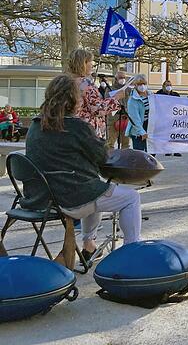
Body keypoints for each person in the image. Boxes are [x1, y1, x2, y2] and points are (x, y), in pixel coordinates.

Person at [26, 74, 142, 262]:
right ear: (72, 99)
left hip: (42, 198)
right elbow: (102, 157)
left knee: (95, 188)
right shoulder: (77, 127)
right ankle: (131, 253)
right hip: (71, 198)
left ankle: (89, 246)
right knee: (131, 197)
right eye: (79, 96)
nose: (82, 99)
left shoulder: (35, 125)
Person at [67, 48, 124, 139]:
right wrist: (115, 98)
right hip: (87, 131)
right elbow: (97, 109)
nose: (92, 65)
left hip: (71, 128)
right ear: (83, 64)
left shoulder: (67, 81)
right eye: (90, 62)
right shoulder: (85, 83)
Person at [156, 80, 182, 157]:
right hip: (163, 117)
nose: (169, 86)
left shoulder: (175, 95)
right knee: (166, 134)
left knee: (175, 134)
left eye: (170, 85)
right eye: (167, 85)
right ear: (163, 86)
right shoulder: (159, 94)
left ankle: (176, 150)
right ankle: (167, 150)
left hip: (174, 117)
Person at [107, 71, 132, 150]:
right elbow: (107, 101)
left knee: (126, 142)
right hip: (113, 118)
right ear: (116, 79)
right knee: (110, 142)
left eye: (124, 78)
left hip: (125, 117)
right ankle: (109, 158)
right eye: (120, 78)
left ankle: (124, 159)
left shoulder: (128, 90)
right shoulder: (110, 89)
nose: (122, 79)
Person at [125, 74, 150, 152]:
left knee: (151, 153)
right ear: (135, 85)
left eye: (144, 83)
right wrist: (141, 132)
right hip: (138, 129)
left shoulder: (151, 95)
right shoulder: (133, 100)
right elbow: (134, 119)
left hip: (150, 127)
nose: (142, 86)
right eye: (139, 84)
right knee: (140, 153)